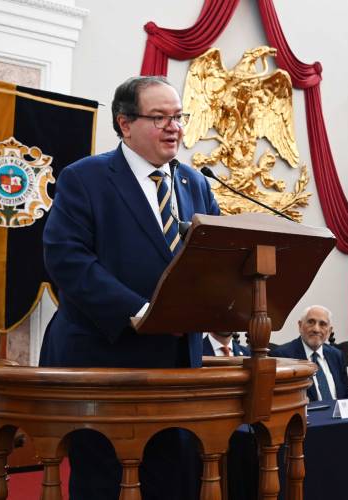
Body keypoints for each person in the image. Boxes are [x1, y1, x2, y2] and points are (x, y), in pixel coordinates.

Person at [39, 76, 219, 499]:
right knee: (108, 483)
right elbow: (67, 259)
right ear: (125, 124)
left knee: (173, 481)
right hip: (106, 359)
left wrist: (222, 308)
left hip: (177, 367)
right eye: (159, 117)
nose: (173, 127)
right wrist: (138, 311)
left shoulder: (196, 184)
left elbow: (213, 260)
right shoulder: (85, 178)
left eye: (177, 116)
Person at [270, 305, 348, 401]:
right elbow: (280, 399)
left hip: (338, 414)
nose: (316, 329)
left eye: (322, 324)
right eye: (311, 322)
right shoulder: (283, 356)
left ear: (329, 331)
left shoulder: (337, 355)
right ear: (300, 326)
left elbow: (347, 393)